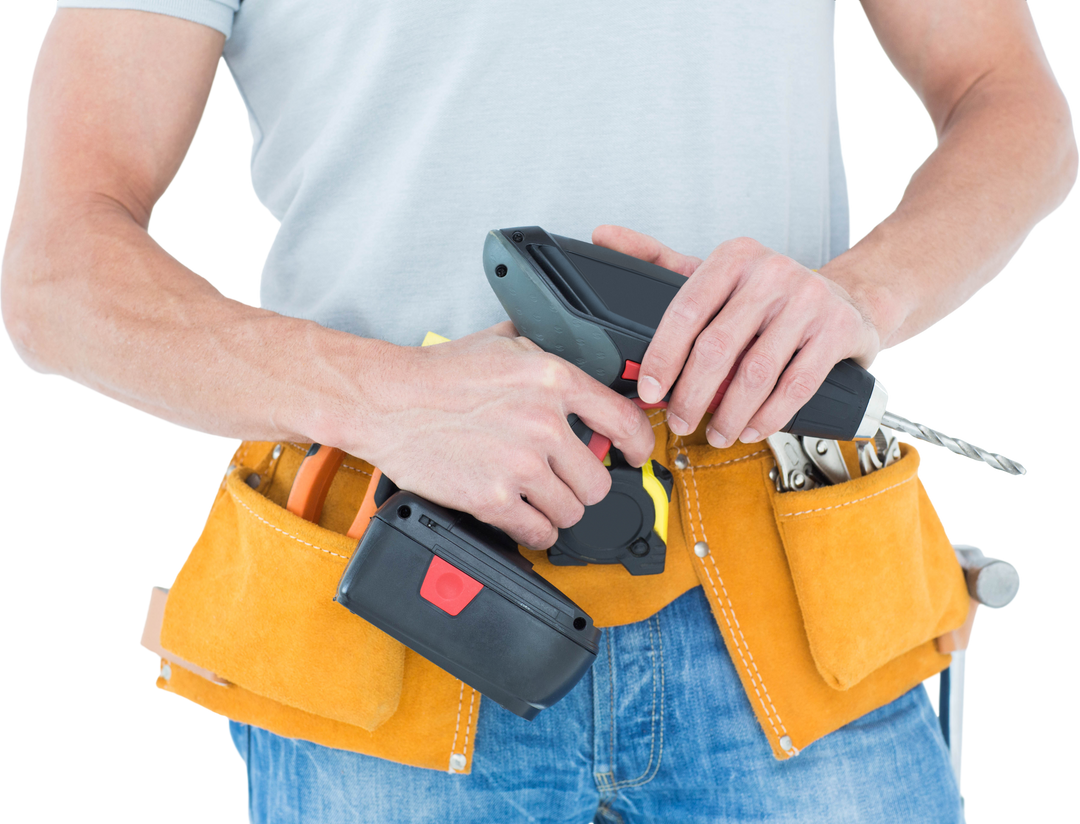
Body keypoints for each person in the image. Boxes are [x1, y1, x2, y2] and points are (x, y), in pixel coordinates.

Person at [3, 1, 1074, 822]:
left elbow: (1008, 98)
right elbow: (56, 274)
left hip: (794, 608)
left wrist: (861, 297)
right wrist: (390, 400)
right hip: (406, 606)